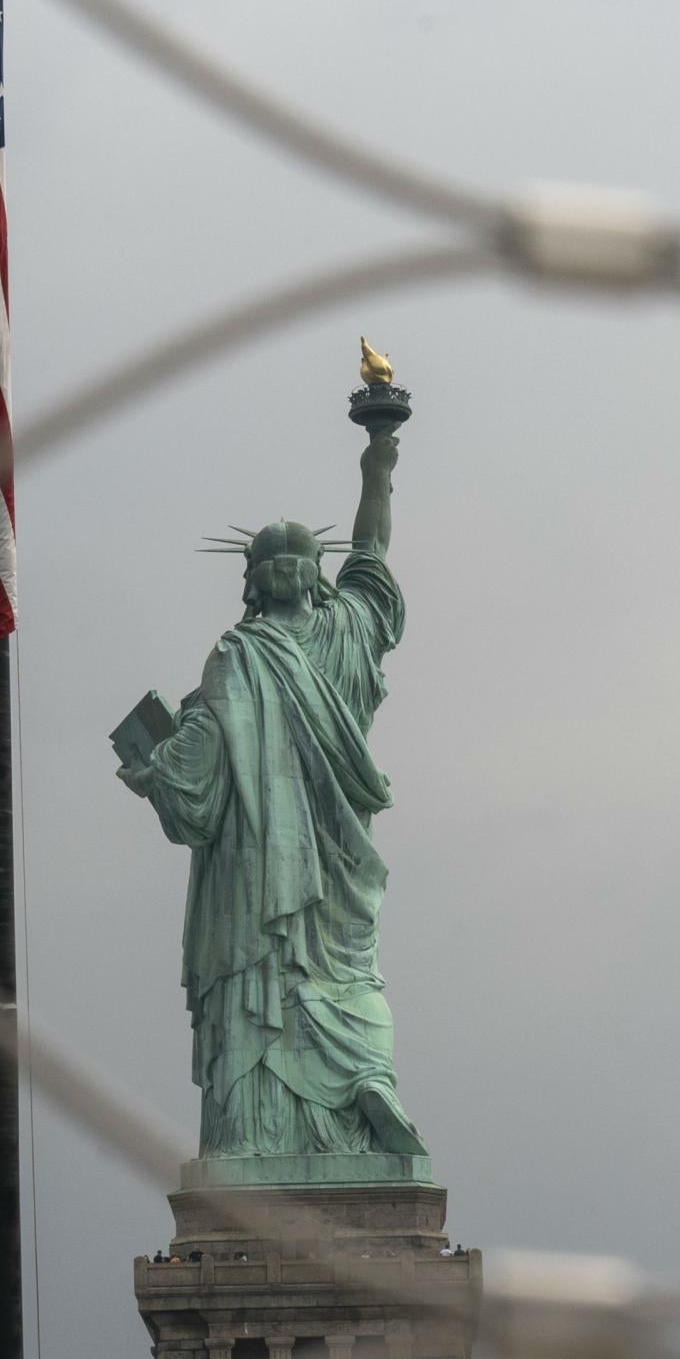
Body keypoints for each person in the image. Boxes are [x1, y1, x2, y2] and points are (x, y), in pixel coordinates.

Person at [118, 432, 426, 1159]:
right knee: (348, 971)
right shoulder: (346, 635)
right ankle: (362, 1080)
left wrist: (153, 761)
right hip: (335, 860)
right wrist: (378, 458)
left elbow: (195, 779)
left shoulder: (235, 655)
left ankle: (257, 1128)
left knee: (262, 974)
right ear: (315, 577)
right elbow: (372, 553)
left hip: (258, 872)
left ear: (251, 583)